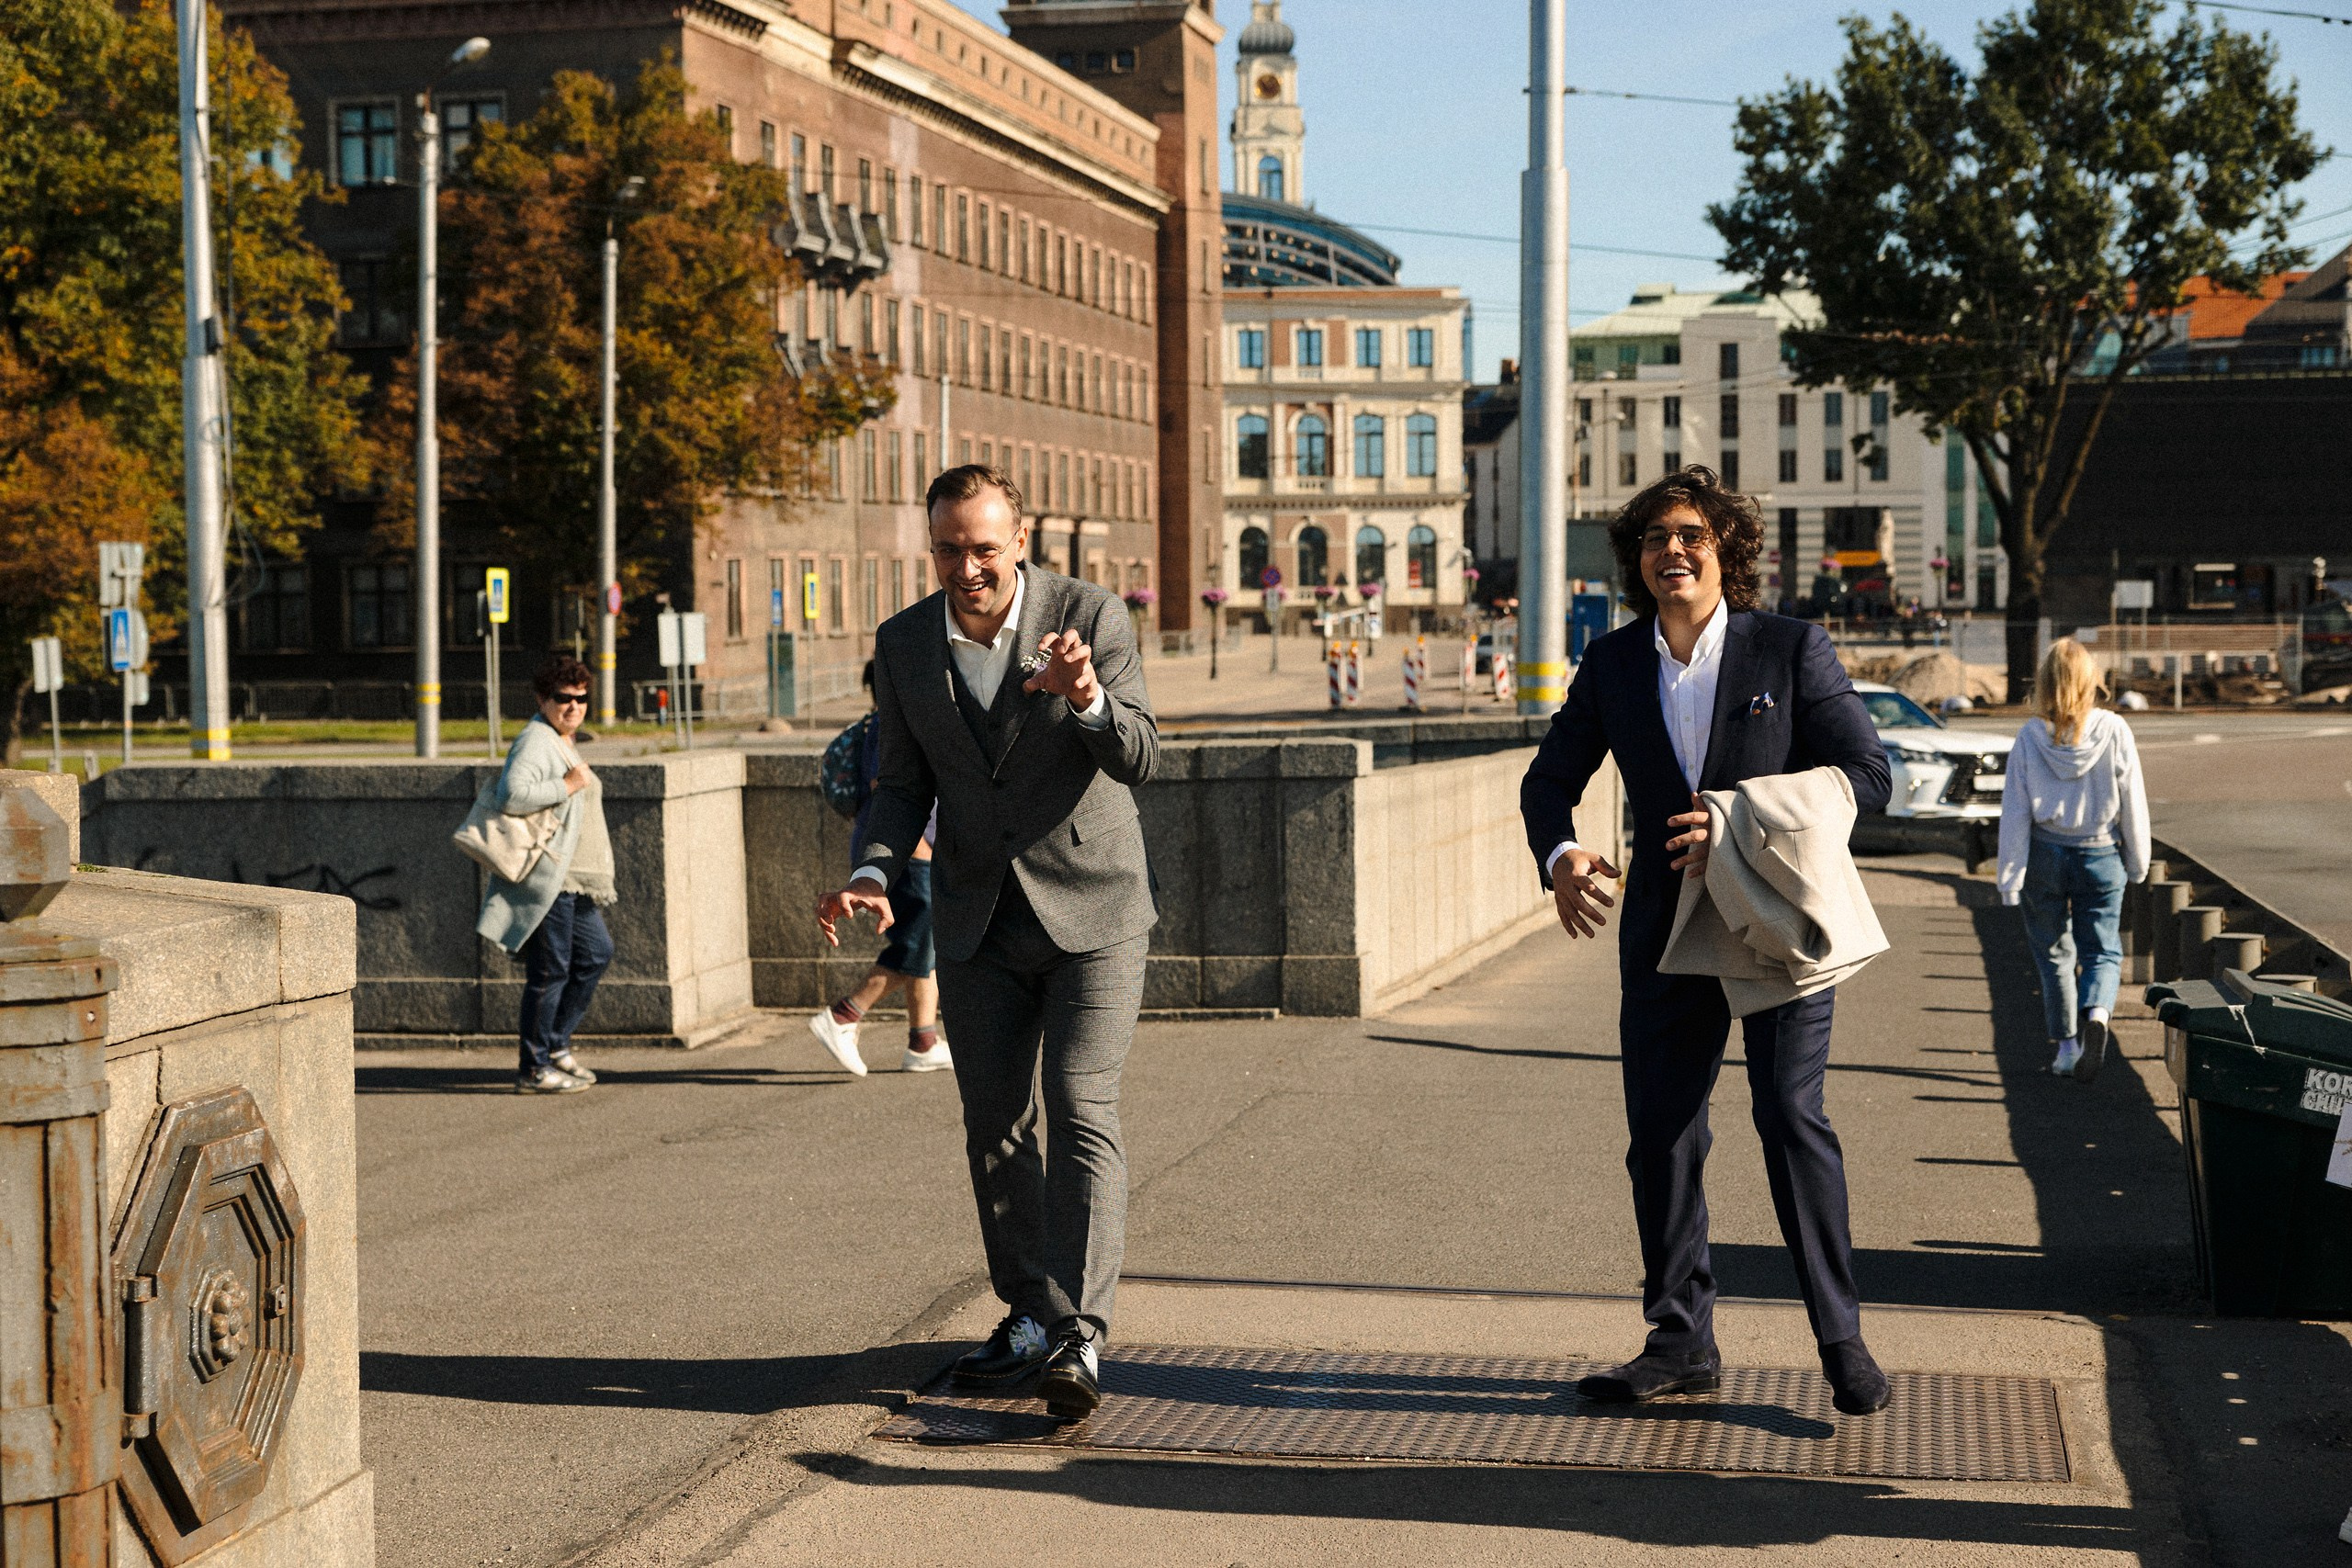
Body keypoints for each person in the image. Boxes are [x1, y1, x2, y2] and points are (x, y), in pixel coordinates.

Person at [1520, 466, 1895, 1416]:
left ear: (1726, 547)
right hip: (1663, 925)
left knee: (1788, 1116)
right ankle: (1679, 1340)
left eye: (1689, 534)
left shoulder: (1790, 649)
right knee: (1663, 1137)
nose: (1671, 551)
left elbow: (1867, 774)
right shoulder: (1610, 664)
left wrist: (1739, 816)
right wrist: (1561, 853)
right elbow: (1546, 781)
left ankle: (1841, 1339)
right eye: (1652, 538)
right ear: (1635, 560)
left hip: (1776, 916)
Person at [815, 465, 1157, 1422]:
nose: (967, 567)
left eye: (984, 548)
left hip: (1092, 908)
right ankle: (1029, 1312)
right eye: (948, 549)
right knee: (995, 1124)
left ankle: (1081, 1333)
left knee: (1081, 1104)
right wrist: (874, 873)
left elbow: (1141, 755)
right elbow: (899, 785)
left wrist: (1087, 696)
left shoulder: (1090, 616)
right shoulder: (905, 644)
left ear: (1020, 539)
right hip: (974, 915)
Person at [1996, 637, 2150, 1082]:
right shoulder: (2115, 729)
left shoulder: (2029, 736)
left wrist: (2009, 877)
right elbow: (2132, 801)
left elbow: (2016, 810)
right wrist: (2138, 862)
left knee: (2054, 954)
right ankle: (2098, 1014)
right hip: (2101, 852)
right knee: (2102, 949)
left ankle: (2067, 1047)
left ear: (2044, 682)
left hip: (2044, 852)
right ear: (2092, 681)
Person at [806, 662, 952, 1076]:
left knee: (926, 943)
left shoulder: (891, 721)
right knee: (914, 943)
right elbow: (889, 791)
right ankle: (844, 1015)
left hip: (907, 850)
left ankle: (922, 1042)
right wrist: (921, 849)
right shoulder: (891, 725)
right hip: (905, 853)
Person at [478, 655, 615, 1094]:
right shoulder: (536, 740)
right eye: (563, 699)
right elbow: (512, 794)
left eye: (581, 699)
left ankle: (556, 1047)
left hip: (575, 883)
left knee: (595, 954)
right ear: (542, 698)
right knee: (550, 971)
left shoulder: (561, 739)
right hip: (552, 881)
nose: (573, 707)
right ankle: (534, 1067)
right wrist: (568, 785)